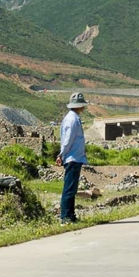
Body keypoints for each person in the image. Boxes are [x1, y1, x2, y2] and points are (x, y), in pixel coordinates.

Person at [56, 91, 88, 224]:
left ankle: (71, 215)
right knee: (69, 189)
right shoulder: (72, 119)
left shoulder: (74, 117)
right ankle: (65, 217)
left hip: (75, 157)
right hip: (72, 158)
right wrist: (62, 154)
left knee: (72, 188)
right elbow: (67, 140)